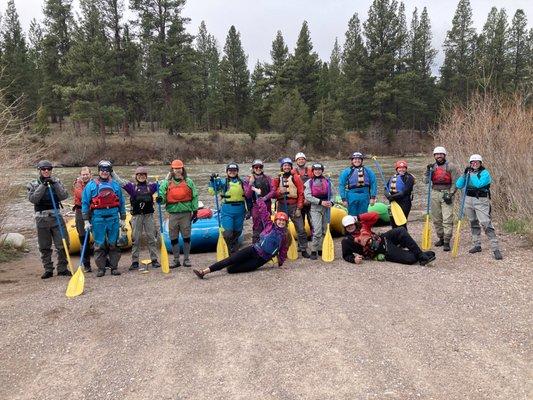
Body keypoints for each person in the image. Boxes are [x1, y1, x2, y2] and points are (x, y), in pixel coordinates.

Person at [193, 196, 289, 278]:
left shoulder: (285, 236)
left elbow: (283, 250)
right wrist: (260, 199)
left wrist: (281, 264)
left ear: (286, 223)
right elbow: (264, 213)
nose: (281, 222)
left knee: (231, 269)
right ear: (275, 220)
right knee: (229, 260)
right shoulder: (269, 225)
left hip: (261, 260)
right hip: (253, 249)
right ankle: (204, 272)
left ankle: (232, 264)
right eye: (279, 220)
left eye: (283, 221)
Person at [27, 160, 71, 279]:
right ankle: (48, 269)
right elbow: (33, 199)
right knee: (44, 246)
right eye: (44, 169)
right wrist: (43, 185)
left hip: (56, 216)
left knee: (63, 244)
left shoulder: (57, 181)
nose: (46, 171)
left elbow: (64, 196)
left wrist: (54, 184)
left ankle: (62, 268)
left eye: (49, 169)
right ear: (40, 170)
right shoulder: (33, 184)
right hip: (41, 218)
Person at [81, 160, 126, 277]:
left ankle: (114, 267)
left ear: (110, 172)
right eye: (102, 170)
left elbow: (121, 202)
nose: (104, 172)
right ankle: (101, 268)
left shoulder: (115, 185)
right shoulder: (91, 185)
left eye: (107, 170)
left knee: (113, 244)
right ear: (99, 171)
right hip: (98, 219)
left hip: (113, 218)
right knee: (99, 244)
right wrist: (86, 220)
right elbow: (85, 203)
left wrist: (123, 218)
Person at [341, 212, 436, 266]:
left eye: (351, 224)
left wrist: (358, 216)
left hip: (383, 238)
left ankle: (420, 255)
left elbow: (375, 215)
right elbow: (346, 255)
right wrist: (354, 259)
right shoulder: (346, 241)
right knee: (410, 260)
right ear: (345, 228)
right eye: (347, 226)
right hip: (381, 251)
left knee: (401, 230)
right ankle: (422, 255)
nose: (350, 227)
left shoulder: (363, 225)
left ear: (354, 223)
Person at [456, 154, 502, 260]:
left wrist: (471, 174)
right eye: (472, 162)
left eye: (476, 162)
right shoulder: (468, 173)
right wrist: (464, 175)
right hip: (468, 199)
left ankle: (495, 249)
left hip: (481, 200)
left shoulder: (485, 173)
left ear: (480, 163)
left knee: (485, 223)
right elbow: (459, 185)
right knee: (473, 221)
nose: (474, 164)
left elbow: (478, 184)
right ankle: (477, 245)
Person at [113, 166, 160, 270]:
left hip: (149, 216)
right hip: (136, 216)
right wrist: (112, 171)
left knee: (151, 238)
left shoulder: (151, 187)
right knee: (136, 239)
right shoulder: (132, 187)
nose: (141, 176)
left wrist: (170, 174)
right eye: (139, 175)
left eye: (143, 175)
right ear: (136, 176)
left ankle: (154, 260)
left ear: (146, 176)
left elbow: (164, 183)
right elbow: (119, 181)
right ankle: (135, 262)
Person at [158, 160, 199, 268]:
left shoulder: (189, 181)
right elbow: (161, 197)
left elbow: (195, 196)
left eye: (179, 168)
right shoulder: (166, 183)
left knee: (186, 237)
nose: (177, 170)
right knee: (173, 237)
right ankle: (176, 260)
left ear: (182, 169)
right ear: (172, 169)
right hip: (172, 214)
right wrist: (159, 198)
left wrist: (195, 210)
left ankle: (186, 259)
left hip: (186, 213)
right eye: (175, 168)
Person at [424, 146, 460, 251]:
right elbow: (425, 181)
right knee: (436, 218)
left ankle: (447, 241)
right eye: (437, 154)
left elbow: (456, 182)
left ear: (444, 155)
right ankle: (441, 237)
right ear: (434, 156)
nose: (439, 156)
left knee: (447, 218)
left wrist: (451, 193)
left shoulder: (451, 166)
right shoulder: (432, 167)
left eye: (441, 154)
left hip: (447, 193)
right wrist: (427, 171)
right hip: (435, 193)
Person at [273, 157, 309, 258]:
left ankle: (303, 249)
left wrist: (299, 208)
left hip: (293, 206)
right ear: (282, 167)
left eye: (288, 165)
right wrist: (280, 191)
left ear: (291, 167)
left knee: (301, 229)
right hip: (281, 205)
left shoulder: (296, 177)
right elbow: (273, 193)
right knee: (280, 228)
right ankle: (281, 249)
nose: (287, 167)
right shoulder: (277, 178)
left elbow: (301, 193)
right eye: (285, 166)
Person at [209, 163, 246, 255]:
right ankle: (231, 252)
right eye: (230, 171)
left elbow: (248, 194)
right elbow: (212, 192)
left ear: (237, 172)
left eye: (234, 171)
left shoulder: (243, 182)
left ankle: (234, 252)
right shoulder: (222, 182)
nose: (232, 172)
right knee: (228, 233)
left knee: (237, 232)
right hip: (227, 210)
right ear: (227, 172)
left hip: (240, 210)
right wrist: (212, 181)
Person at [304, 163, 333, 260]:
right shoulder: (309, 182)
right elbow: (307, 196)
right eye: (315, 170)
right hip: (315, 208)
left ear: (322, 171)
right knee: (317, 230)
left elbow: (333, 194)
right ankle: (314, 250)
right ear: (312, 171)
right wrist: (321, 202)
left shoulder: (328, 181)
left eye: (319, 169)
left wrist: (331, 202)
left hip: (327, 208)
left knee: (325, 229)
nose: (317, 171)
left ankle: (321, 248)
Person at [244, 159, 276, 243]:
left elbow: (273, 191)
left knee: (267, 222)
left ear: (262, 168)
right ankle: (255, 244)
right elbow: (247, 195)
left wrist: (265, 198)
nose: (258, 168)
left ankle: (266, 242)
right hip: (256, 206)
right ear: (253, 168)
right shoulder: (248, 179)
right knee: (257, 224)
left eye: (260, 167)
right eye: (256, 167)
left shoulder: (268, 178)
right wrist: (251, 183)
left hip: (267, 204)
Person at [338, 152, 377, 217]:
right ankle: (354, 226)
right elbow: (341, 185)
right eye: (355, 159)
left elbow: (373, 184)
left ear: (362, 160)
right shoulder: (346, 171)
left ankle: (362, 227)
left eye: (359, 159)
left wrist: (373, 197)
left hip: (365, 195)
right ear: (352, 160)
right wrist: (343, 199)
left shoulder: (368, 171)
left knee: (363, 215)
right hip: (351, 195)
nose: (357, 161)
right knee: (352, 215)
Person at [73, 166, 93, 272]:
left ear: (90, 175)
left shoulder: (95, 183)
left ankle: (105, 261)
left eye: (87, 174)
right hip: (81, 211)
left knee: (100, 236)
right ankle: (87, 264)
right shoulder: (77, 184)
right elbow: (80, 195)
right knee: (83, 237)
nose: (85, 176)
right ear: (80, 175)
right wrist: (92, 196)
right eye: (83, 174)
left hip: (93, 211)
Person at [385, 160, 415, 228]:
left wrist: (393, 197)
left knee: (401, 223)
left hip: (404, 202)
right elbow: (385, 189)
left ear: (406, 169)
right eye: (399, 168)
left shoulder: (409, 178)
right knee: (393, 222)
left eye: (403, 168)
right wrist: (387, 195)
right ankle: (395, 237)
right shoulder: (392, 177)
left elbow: (405, 191)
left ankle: (403, 237)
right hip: (392, 202)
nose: (401, 169)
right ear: (397, 169)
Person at [293, 152, 313, 231]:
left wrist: (309, 198)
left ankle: (314, 238)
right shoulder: (292, 172)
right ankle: (302, 240)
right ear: (296, 161)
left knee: (312, 221)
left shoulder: (311, 170)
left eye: (302, 159)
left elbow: (314, 185)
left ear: (305, 160)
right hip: (298, 201)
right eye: (299, 159)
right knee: (300, 223)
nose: (301, 161)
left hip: (310, 200)